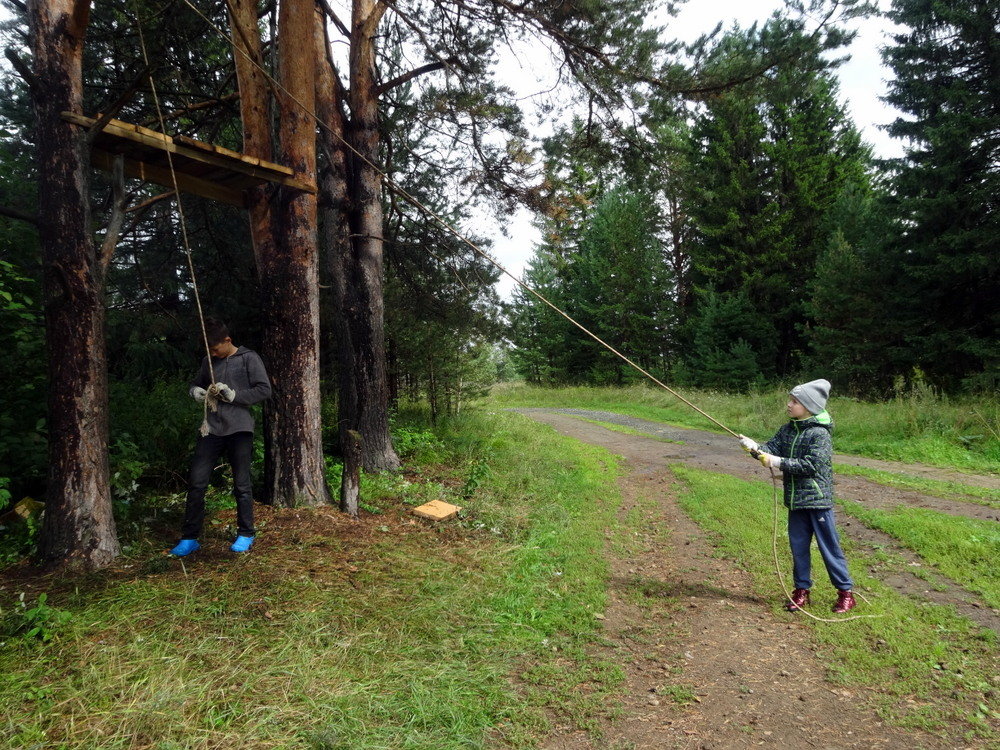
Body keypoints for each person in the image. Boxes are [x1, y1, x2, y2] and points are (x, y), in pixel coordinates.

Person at [738, 379, 856, 614]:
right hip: (795, 501)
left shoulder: (819, 434)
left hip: (817, 501)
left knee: (829, 548)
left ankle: (846, 593)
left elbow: (810, 465)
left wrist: (777, 462)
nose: (789, 405)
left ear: (809, 406)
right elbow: (769, 450)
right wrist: (753, 447)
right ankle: (801, 591)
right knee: (798, 547)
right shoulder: (787, 429)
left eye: (794, 401)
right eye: (790, 400)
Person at [169, 318, 272, 556]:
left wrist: (234, 395)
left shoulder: (248, 358)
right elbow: (195, 383)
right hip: (211, 429)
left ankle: (246, 533)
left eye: (215, 348)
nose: (213, 353)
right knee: (197, 483)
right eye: (209, 350)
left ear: (228, 340)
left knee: (242, 485)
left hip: (239, 429)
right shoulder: (209, 360)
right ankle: (190, 538)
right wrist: (196, 391)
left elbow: (264, 389)